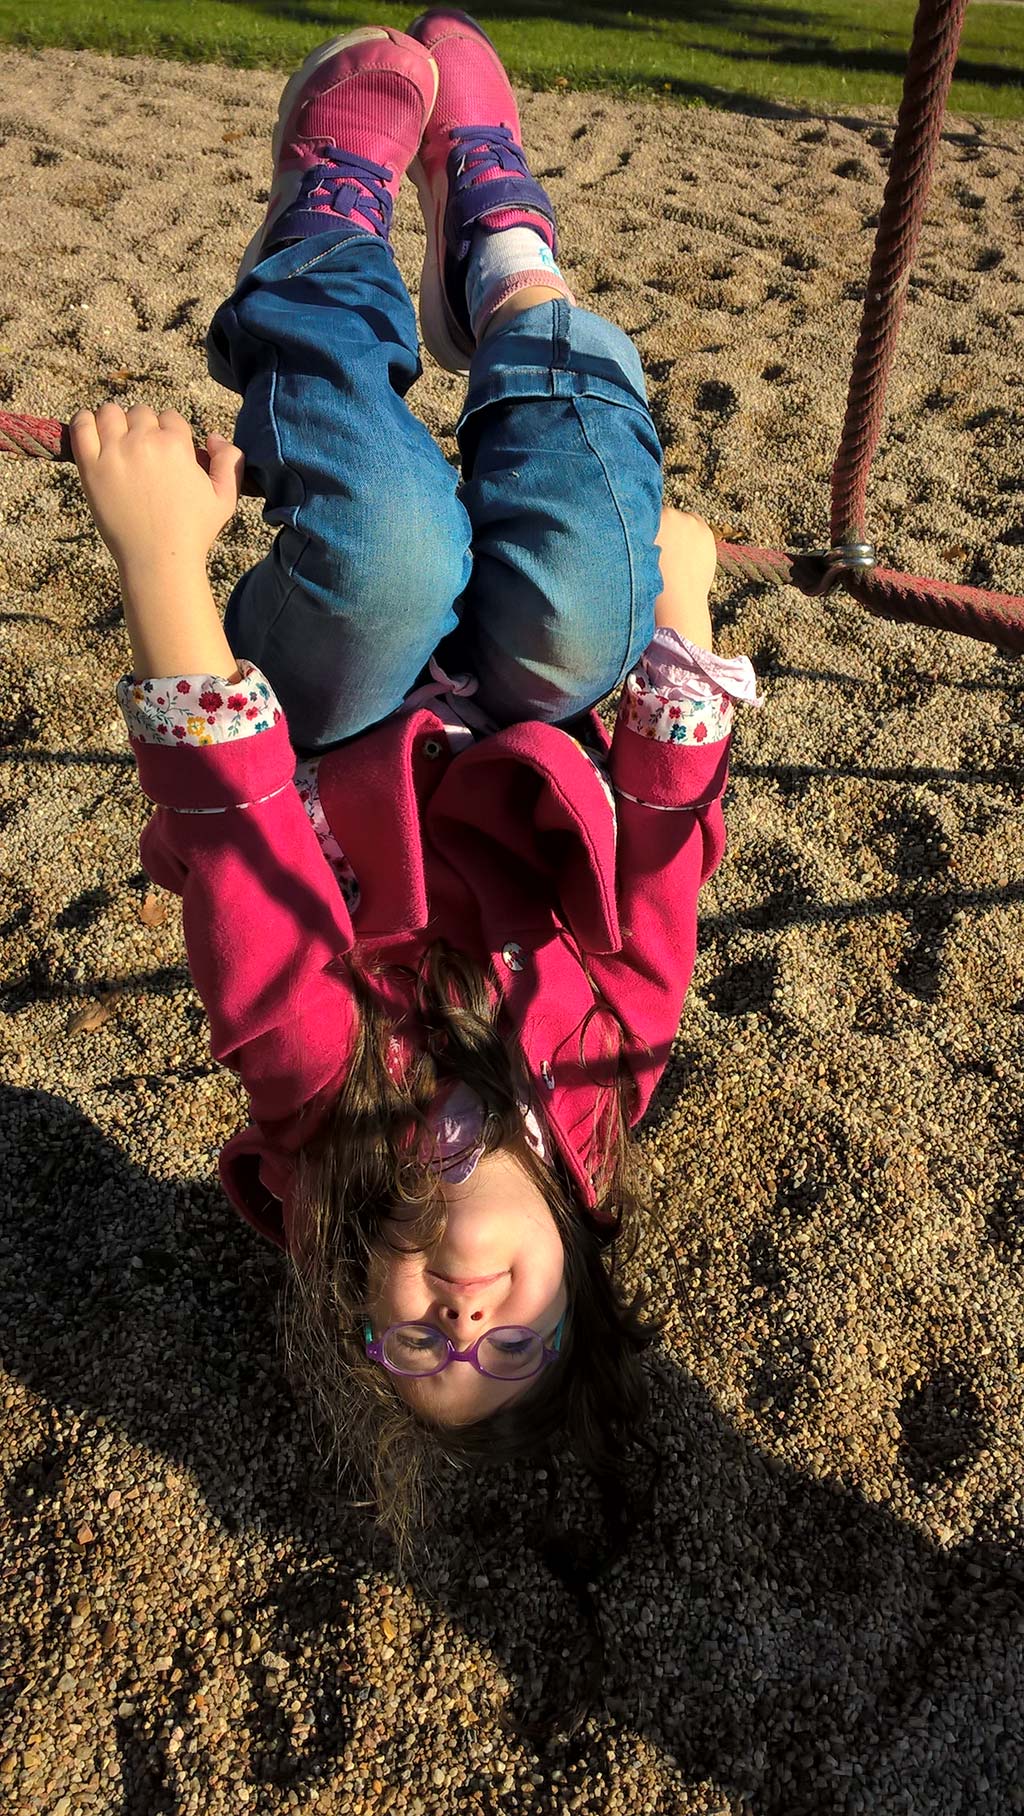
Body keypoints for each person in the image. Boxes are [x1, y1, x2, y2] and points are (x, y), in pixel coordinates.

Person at [69, 12, 761, 1543]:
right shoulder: (605, 1081)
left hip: (325, 740)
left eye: (414, 1351)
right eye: (515, 1348)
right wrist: (686, 620)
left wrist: (161, 561)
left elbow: (239, 849)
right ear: (577, 1279)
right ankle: (508, 256)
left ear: (351, 1295)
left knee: (389, 554)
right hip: (511, 733)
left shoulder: (322, 1099)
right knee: (593, 584)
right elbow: (663, 860)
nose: (463, 1323)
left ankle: (325, 222)